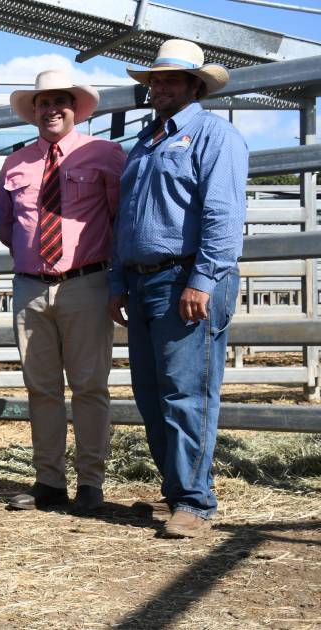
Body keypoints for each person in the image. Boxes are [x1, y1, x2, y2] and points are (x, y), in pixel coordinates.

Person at [109, 39, 247, 539]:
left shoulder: (215, 136)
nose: (160, 87)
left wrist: (204, 279)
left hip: (185, 277)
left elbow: (223, 215)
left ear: (195, 85)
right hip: (144, 280)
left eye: (170, 79)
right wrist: (118, 279)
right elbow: (125, 221)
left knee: (187, 392)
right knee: (151, 393)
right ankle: (177, 491)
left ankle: (194, 501)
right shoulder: (144, 144)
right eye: (155, 80)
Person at [0, 70, 125, 515]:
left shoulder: (104, 155)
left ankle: (91, 481)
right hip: (31, 287)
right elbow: (8, 228)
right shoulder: (16, 164)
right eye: (43, 102)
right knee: (41, 388)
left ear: (75, 109)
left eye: (60, 102)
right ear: (33, 110)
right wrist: (34, 262)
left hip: (86, 282)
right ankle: (48, 481)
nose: (51, 110)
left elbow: (118, 218)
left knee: (90, 386)